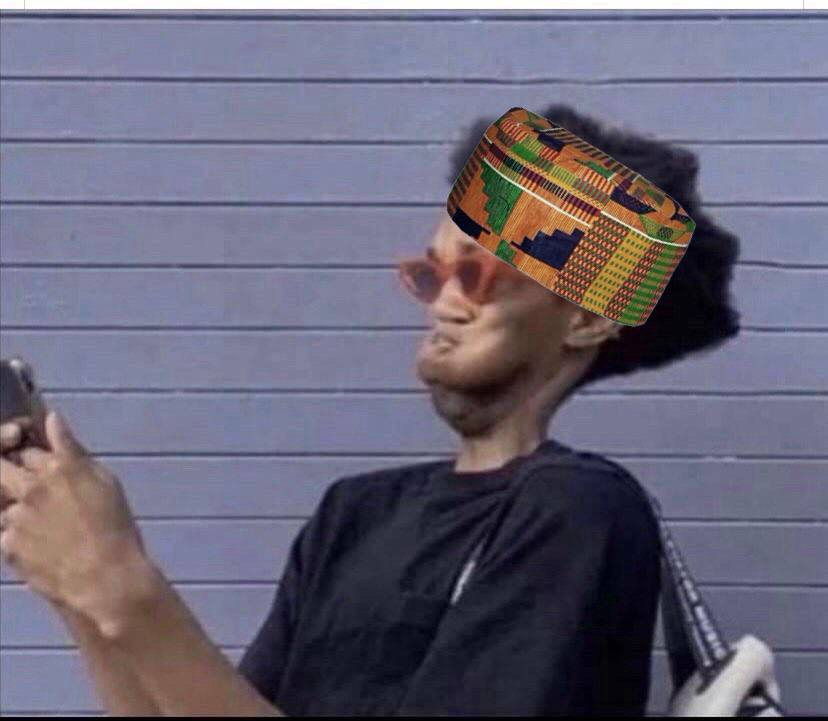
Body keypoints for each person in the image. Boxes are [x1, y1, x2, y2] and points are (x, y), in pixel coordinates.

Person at [0, 103, 740, 716]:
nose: (444, 304)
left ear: (585, 321)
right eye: (432, 274)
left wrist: (124, 584)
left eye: (478, 277)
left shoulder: (578, 510)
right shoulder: (354, 513)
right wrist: (74, 583)